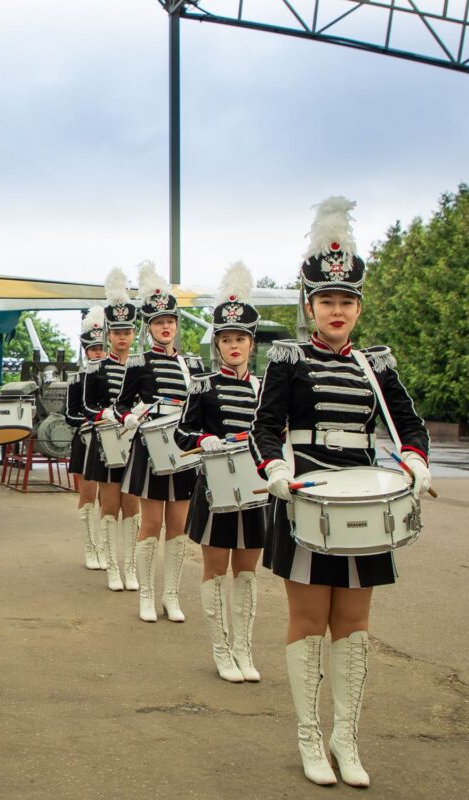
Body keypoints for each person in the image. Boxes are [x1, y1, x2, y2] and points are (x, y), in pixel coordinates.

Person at [249, 197, 430, 787]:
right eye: (326, 300)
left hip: (365, 504)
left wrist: (415, 463)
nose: (336, 310)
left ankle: (345, 738)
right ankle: (308, 738)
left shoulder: (376, 364)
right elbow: (264, 427)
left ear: (357, 307)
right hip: (305, 498)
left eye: (345, 301)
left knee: (353, 623)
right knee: (307, 617)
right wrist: (274, 470)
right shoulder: (288, 359)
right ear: (310, 305)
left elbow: (409, 425)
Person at [175, 262, 266, 683]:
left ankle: (244, 648)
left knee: (247, 574)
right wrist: (202, 441)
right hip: (216, 490)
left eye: (240, 339)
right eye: (226, 339)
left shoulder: (265, 388)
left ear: (251, 343)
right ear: (217, 344)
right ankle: (221, 650)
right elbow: (181, 435)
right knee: (215, 571)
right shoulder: (203, 385)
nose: (234, 346)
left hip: (257, 490)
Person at [109, 262, 205, 622]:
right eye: (159, 322)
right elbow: (119, 405)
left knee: (178, 527)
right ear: (149, 327)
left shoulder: (192, 364)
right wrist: (131, 416)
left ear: (177, 326)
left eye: (171, 322)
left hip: (182, 449)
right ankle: (146, 595)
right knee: (150, 525)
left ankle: (171, 596)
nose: (166, 327)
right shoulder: (138, 362)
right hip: (150, 451)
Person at [87, 268, 141, 591]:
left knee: (132, 506)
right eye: (116, 331)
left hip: (134, 441)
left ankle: (131, 567)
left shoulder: (140, 366)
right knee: (109, 506)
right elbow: (87, 406)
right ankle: (111, 568)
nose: (122, 337)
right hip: (106, 441)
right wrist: (106, 413)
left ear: (133, 334)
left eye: (127, 331)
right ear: (108, 334)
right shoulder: (96, 368)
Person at [64, 307, 108, 571]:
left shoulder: (117, 374)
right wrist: (91, 420)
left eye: (101, 347)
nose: (98, 353)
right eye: (93, 349)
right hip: (85, 440)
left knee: (110, 499)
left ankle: (104, 546)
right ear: (86, 351)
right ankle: (90, 546)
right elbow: (70, 415)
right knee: (88, 496)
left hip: (113, 441)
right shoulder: (77, 379)